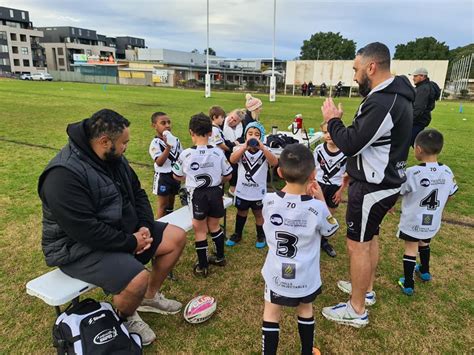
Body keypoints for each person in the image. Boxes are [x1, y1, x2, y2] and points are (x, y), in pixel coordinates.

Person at [38, 109, 187, 346]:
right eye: (124, 142)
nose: (127, 146)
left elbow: (137, 192)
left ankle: (148, 298)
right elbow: (84, 230)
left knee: (176, 237)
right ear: (104, 141)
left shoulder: (112, 156)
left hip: (122, 233)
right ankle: (125, 317)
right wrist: (131, 242)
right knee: (137, 278)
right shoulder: (62, 175)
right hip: (77, 248)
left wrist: (145, 227)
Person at [320, 42, 415, 328]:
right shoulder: (395, 95)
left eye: (356, 69)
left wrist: (333, 121)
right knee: (370, 237)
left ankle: (356, 309)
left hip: (373, 186)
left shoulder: (383, 100)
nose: (354, 75)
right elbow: (366, 137)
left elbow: (350, 143)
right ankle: (366, 291)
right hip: (384, 181)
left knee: (357, 246)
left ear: (371, 67)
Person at [261, 144, 339, 355]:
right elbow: (331, 229)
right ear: (313, 174)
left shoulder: (268, 201)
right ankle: (306, 351)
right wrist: (321, 198)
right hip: (305, 276)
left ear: (279, 172)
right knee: (305, 310)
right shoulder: (317, 208)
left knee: (271, 313)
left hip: (277, 274)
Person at [396, 129, 458, 295]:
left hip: (413, 220)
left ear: (418, 149)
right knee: (424, 243)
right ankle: (424, 271)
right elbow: (451, 194)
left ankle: (408, 283)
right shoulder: (447, 171)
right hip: (432, 220)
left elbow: (398, 192)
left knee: (410, 249)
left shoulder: (412, 172)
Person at [172, 113, 233, 277]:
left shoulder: (186, 154)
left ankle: (203, 266)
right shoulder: (218, 153)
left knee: (200, 231)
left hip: (197, 195)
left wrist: (187, 176)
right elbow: (228, 175)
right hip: (215, 193)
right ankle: (220, 257)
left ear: (191, 132)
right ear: (211, 133)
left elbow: (176, 175)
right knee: (214, 226)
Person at [226, 122, 278, 248]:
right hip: (242, 191)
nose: (253, 137)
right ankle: (237, 234)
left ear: (261, 137)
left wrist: (263, 148)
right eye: (250, 134)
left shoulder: (265, 151)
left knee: (259, 214)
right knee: (241, 212)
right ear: (245, 136)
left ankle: (261, 235)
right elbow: (232, 160)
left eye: (257, 134)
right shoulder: (240, 149)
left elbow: (274, 162)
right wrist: (244, 147)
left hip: (258, 192)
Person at [313, 121, 348, 258]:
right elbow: (313, 170)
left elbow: (347, 176)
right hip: (319, 185)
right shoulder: (319, 150)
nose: (328, 135)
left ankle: (323, 241)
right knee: (315, 213)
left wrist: (341, 191)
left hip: (335, 187)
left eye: (331, 132)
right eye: (325, 132)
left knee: (328, 215)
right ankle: (312, 239)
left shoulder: (345, 152)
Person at [149, 112, 183, 219]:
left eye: (169, 122)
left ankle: (169, 222)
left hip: (174, 175)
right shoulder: (155, 143)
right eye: (163, 123)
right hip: (163, 177)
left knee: (171, 202)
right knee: (162, 205)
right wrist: (168, 147)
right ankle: (158, 228)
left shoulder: (176, 140)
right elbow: (159, 162)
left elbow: (182, 156)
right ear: (154, 126)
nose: (167, 125)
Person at [410, 67, 439, 147]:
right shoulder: (425, 87)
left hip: (417, 121)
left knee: (410, 143)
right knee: (416, 143)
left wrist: (409, 120)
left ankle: (430, 157)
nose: (413, 78)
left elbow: (418, 108)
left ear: (422, 76)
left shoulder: (423, 89)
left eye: (415, 76)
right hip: (421, 120)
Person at [223, 109, 246, 196]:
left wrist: (234, 143)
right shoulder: (222, 123)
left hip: (234, 150)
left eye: (235, 120)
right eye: (231, 117)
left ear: (239, 122)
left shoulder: (242, 125)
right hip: (223, 149)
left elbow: (242, 139)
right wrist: (234, 143)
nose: (231, 121)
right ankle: (231, 187)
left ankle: (234, 186)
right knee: (232, 161)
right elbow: (223, 141)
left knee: (237, 161)